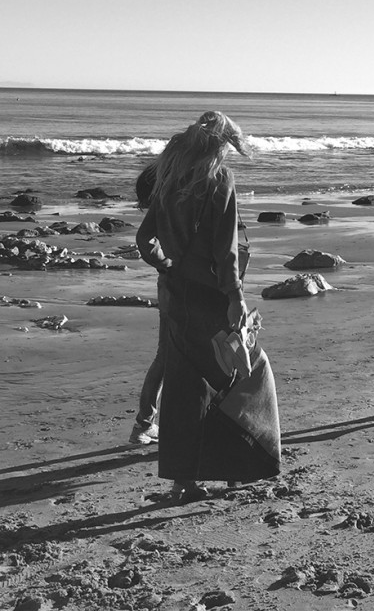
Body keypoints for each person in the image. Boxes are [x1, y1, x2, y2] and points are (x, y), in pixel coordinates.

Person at [136, 111, 280, 502]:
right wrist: (235, 295)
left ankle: (183, 482)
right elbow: (226, 249)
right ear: (221, 146)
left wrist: (167, 265)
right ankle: (238, 467)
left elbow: (145, 239)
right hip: (213, 295)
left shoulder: (169, 179)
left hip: (177, 294)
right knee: (244, 374)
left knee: (183, 387)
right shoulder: (219, 179)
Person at [128, 162, 166, 445]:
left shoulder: (165, 205)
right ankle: (145, 423)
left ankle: (145, 422)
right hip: (183, 284)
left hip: (171, 284)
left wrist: (165, 265)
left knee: (165, 357)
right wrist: (168, 264)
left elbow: (146, 239)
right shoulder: (171, 203)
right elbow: (144, 239)